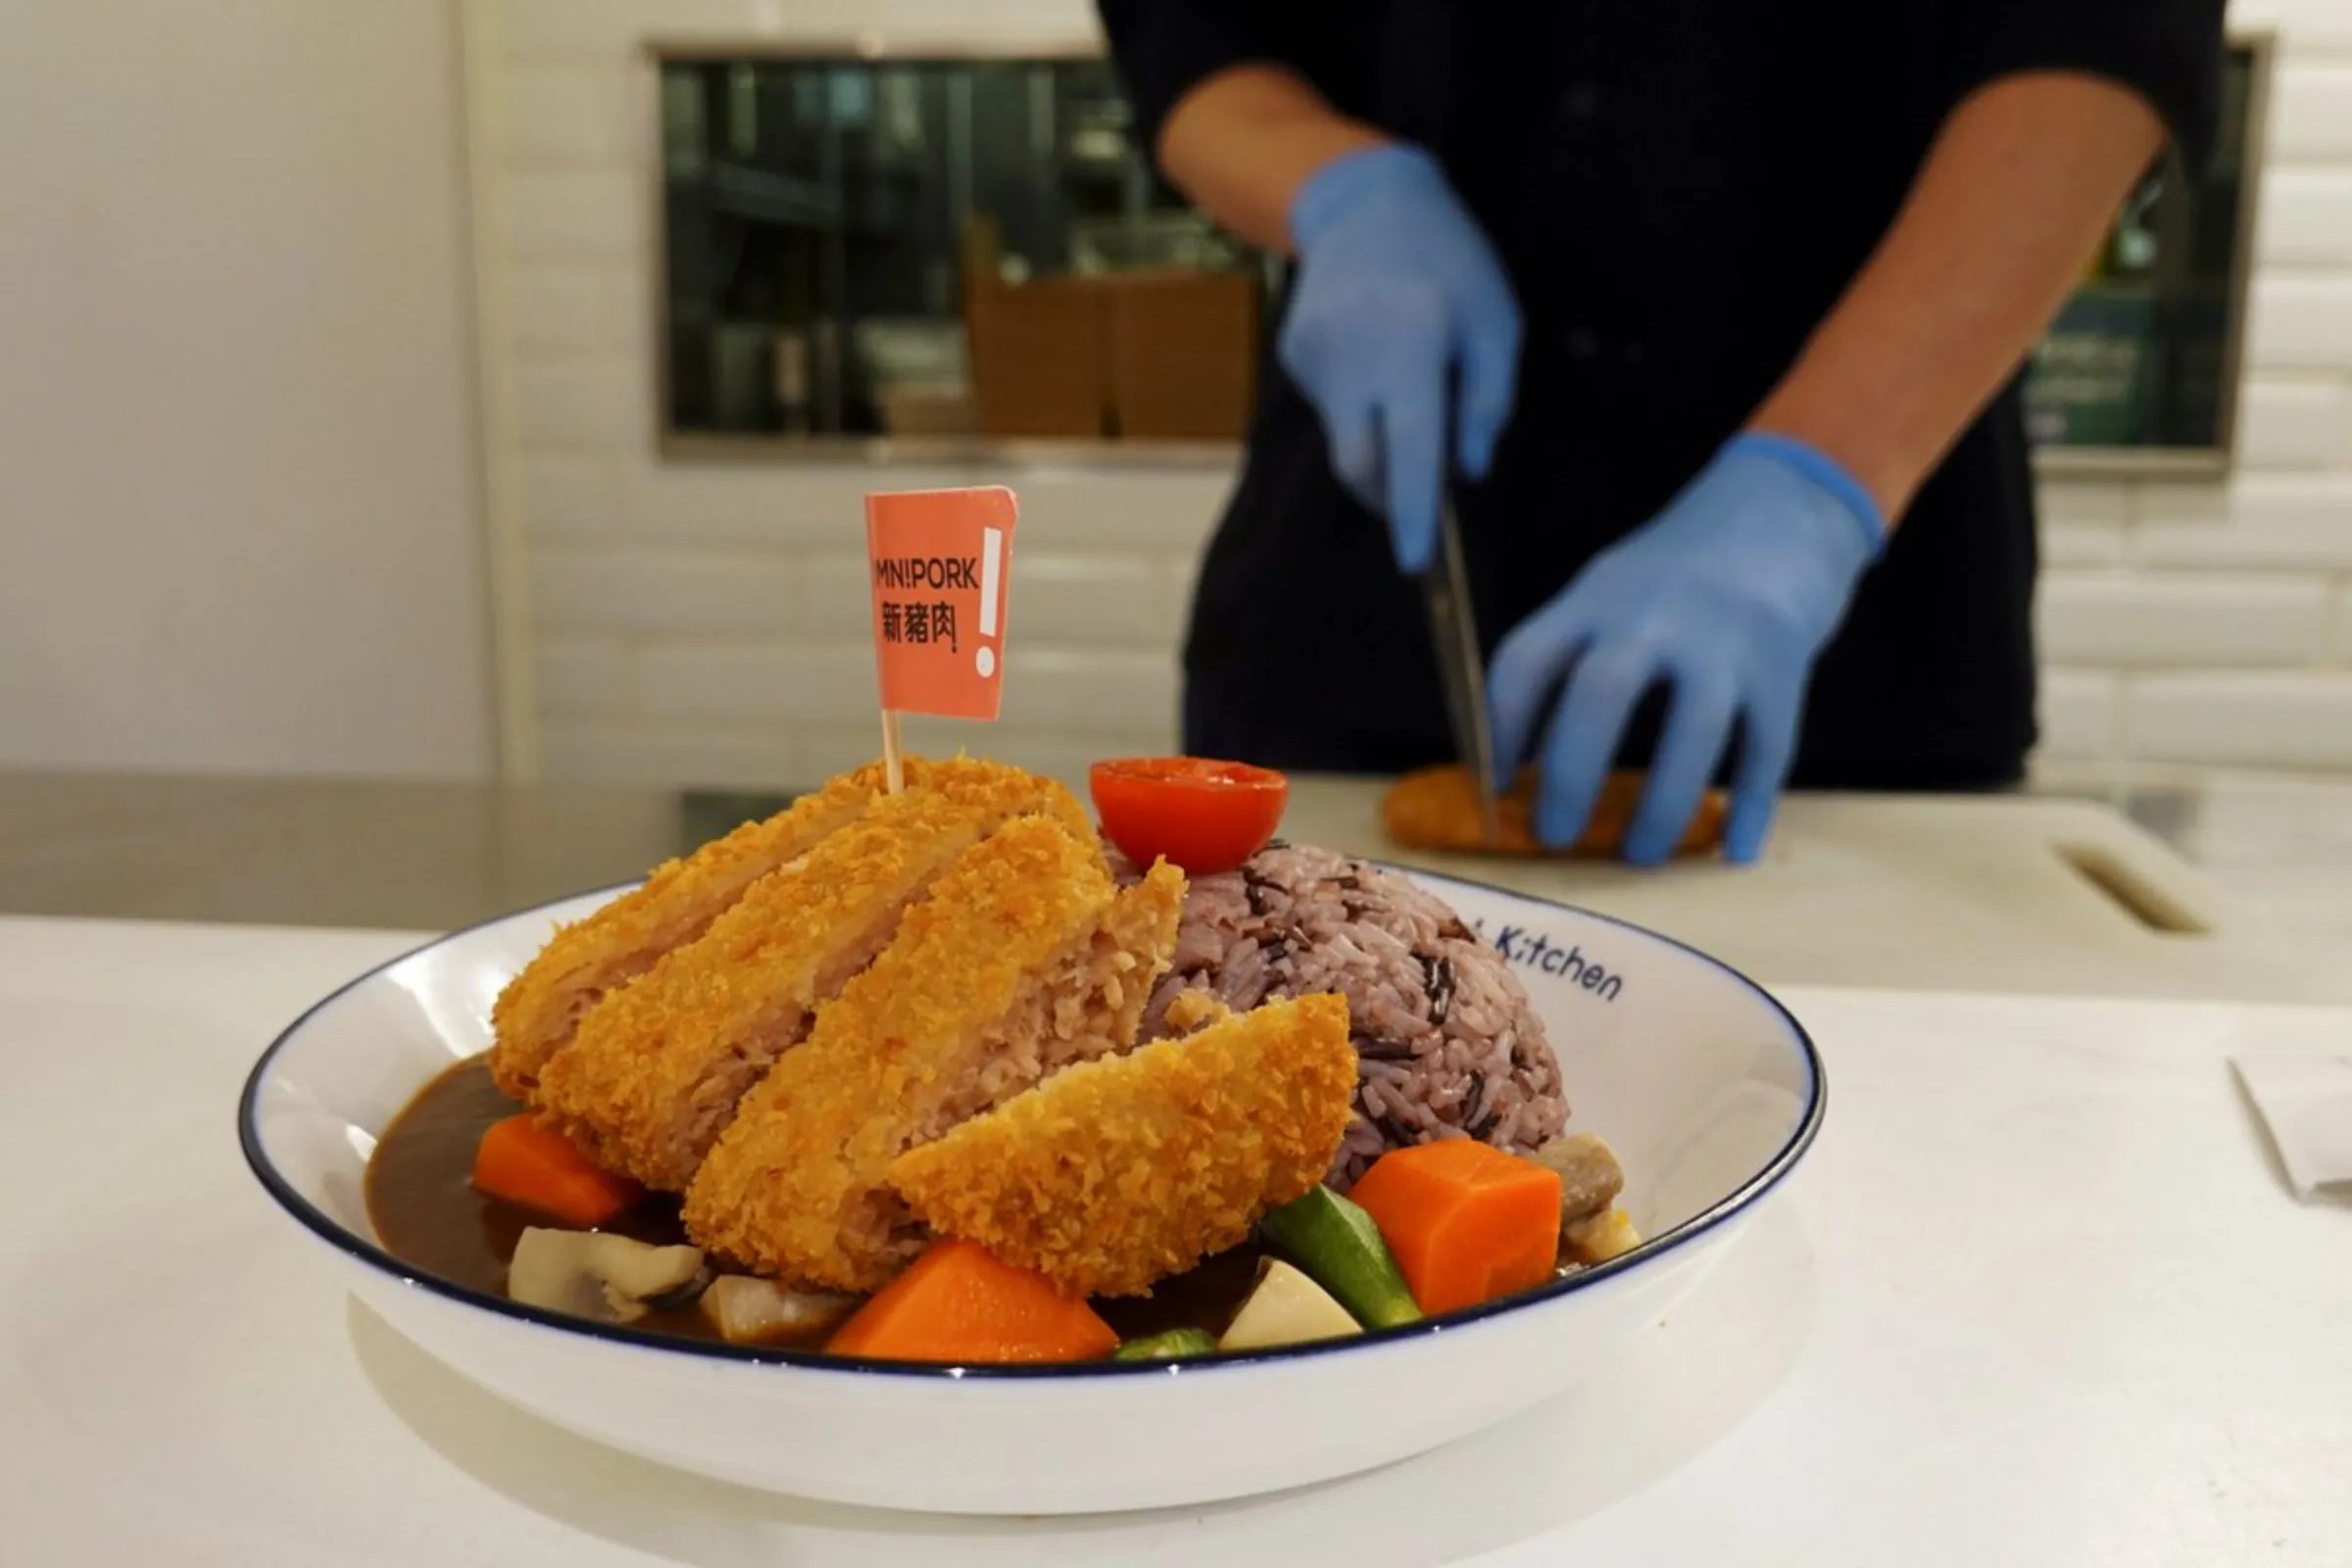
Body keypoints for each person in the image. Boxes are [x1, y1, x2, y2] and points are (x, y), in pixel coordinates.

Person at [1096, 2, 2225, 863]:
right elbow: (1191, 33)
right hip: (1358, 619)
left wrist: (1815, 484)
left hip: (1856, 669)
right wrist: (1333, 185)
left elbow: (2108, 37)